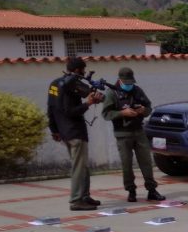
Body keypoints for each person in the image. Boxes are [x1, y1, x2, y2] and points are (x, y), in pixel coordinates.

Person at [101, 67, 164, 202]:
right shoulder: (112, 93)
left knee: (146, 162)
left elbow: (148, 108)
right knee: (126, 164)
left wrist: (143, 110)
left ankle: (152, 190)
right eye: (127, 83)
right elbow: (106, 114)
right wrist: (122, 113)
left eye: (131, 83)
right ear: (120, 80)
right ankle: (131, 191)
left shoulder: (137, 90)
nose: (129, 85)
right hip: (122, 134)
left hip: (139, 131)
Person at [48, 57, 103, 211]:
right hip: (75, 132)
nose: (84, 73)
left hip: (64, 132)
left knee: (83, 166)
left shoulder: (54, 84)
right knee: (79, 167)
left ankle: (84, 196)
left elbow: (50, 108)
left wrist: (54, 130)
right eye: (83, 70)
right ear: (79, 70)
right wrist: (89, 103)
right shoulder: (71, 85)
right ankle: (76, 200)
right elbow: (70, 111)